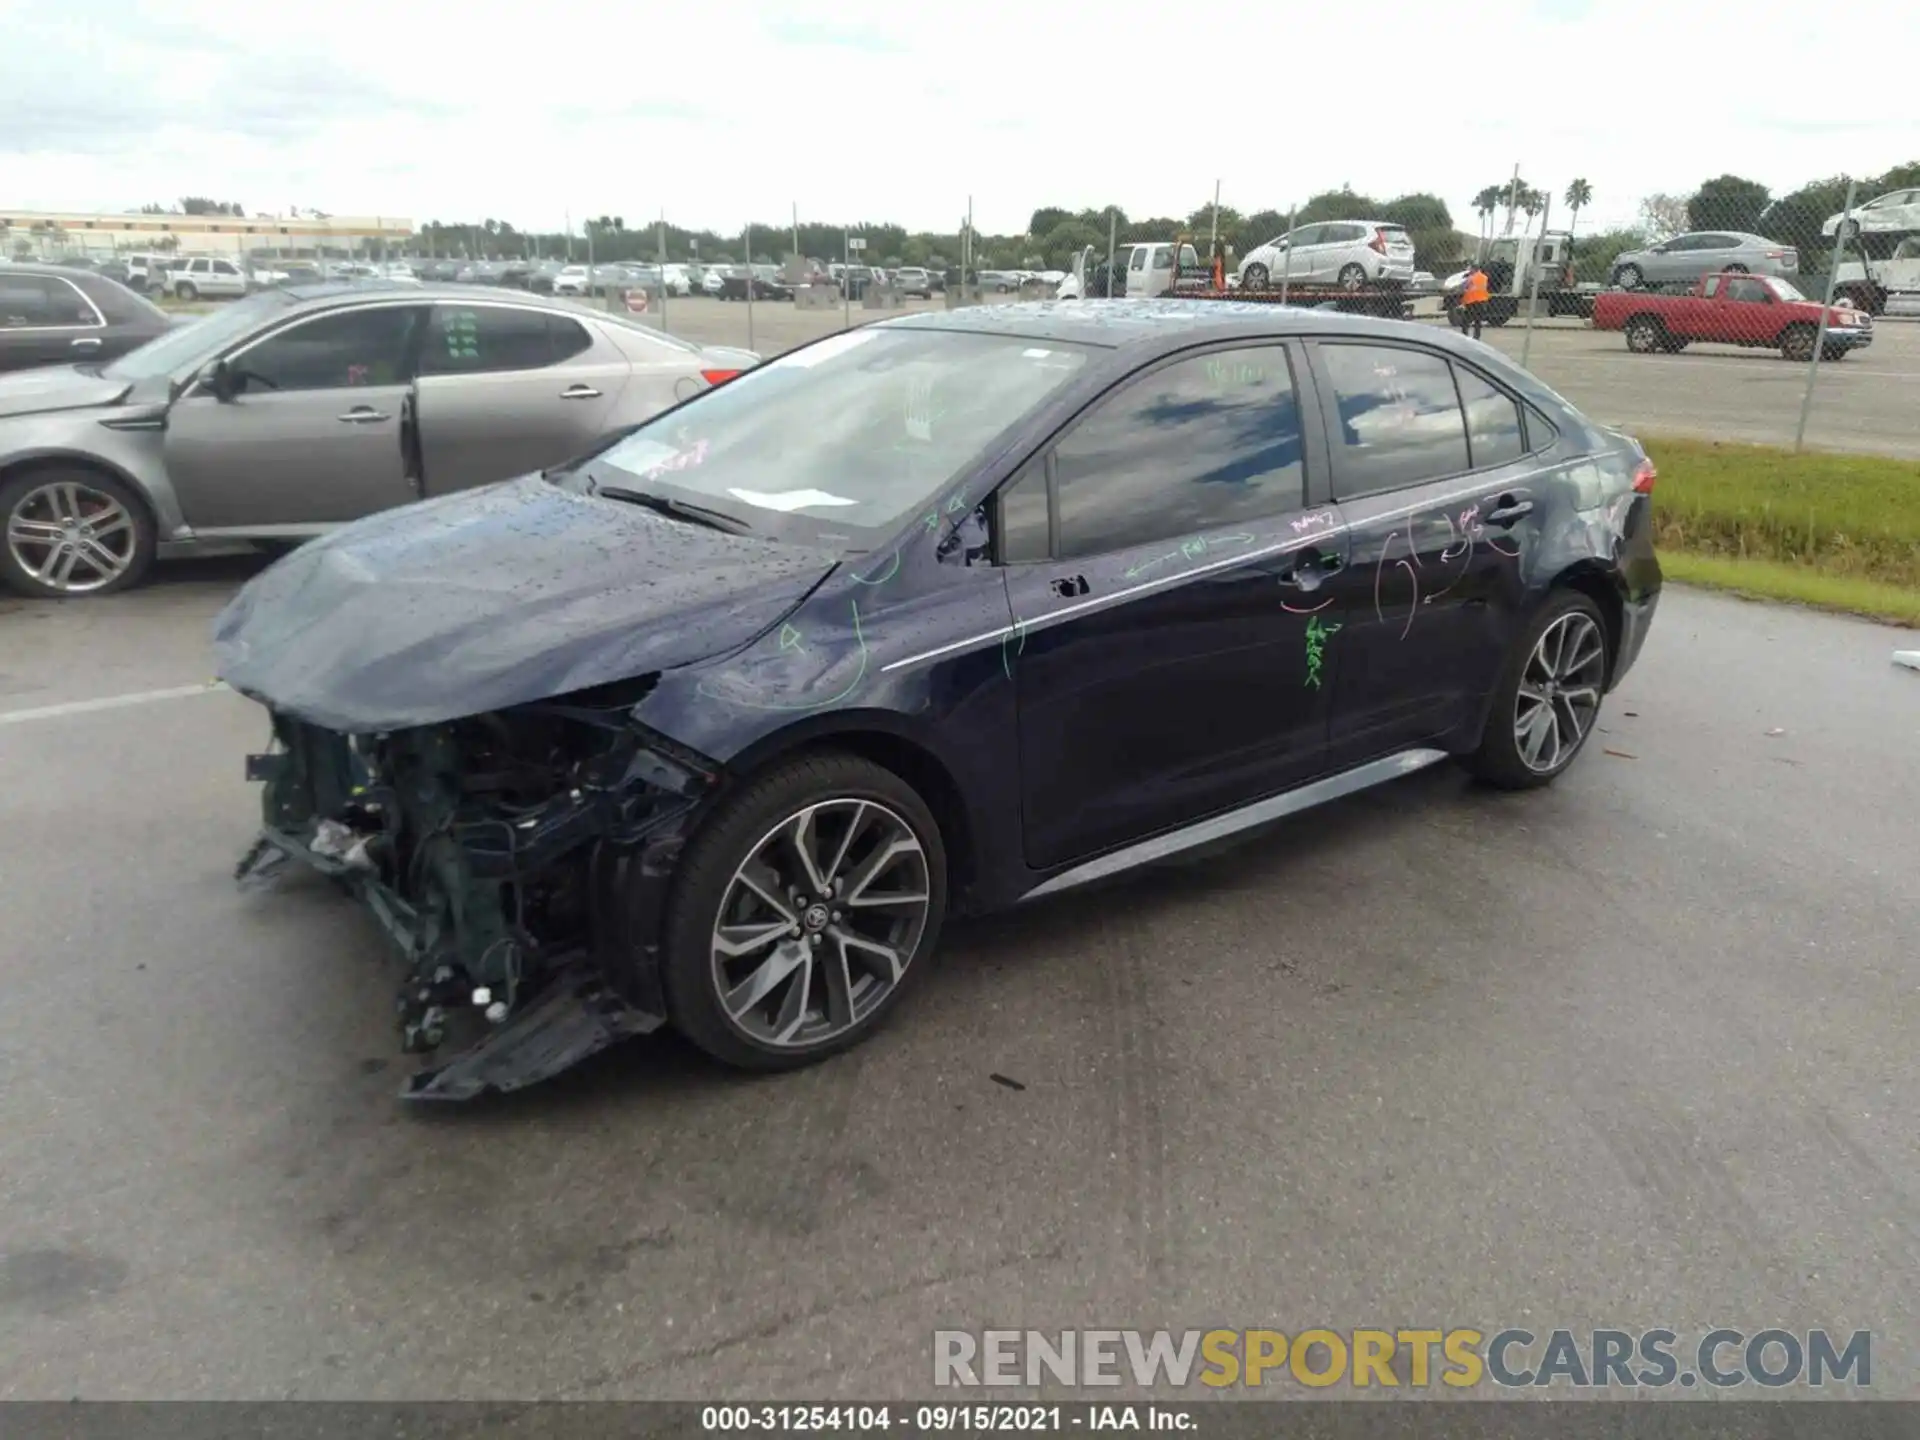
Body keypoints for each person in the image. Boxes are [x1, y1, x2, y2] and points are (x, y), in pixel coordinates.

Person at [1461, 261, 1491, 340]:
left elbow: (1464, 286)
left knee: (1465, 320)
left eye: (1470, 268)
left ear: (1473, 269)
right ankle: (1476, 336)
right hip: (1482, 300)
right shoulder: (1484, 277)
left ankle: (1465, 335)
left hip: (1471, 301)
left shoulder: (1471, 278)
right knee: (1478, 320)